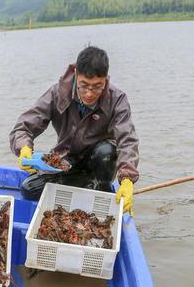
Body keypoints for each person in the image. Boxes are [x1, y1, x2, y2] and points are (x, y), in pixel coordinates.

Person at [9, 46, 138, 214]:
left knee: (106, 152)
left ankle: (101, 189)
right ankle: (90, 186)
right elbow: (23, 126)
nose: (90, 93)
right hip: (65, 160)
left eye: (97, 86)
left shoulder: (117, 99)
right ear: (76, 75)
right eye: (84, 85)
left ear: (106, 79)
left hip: (98, 161)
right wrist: (23, 147)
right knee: (29, 189)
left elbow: (127, 139)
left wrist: (127, 179)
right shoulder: (57, 93)